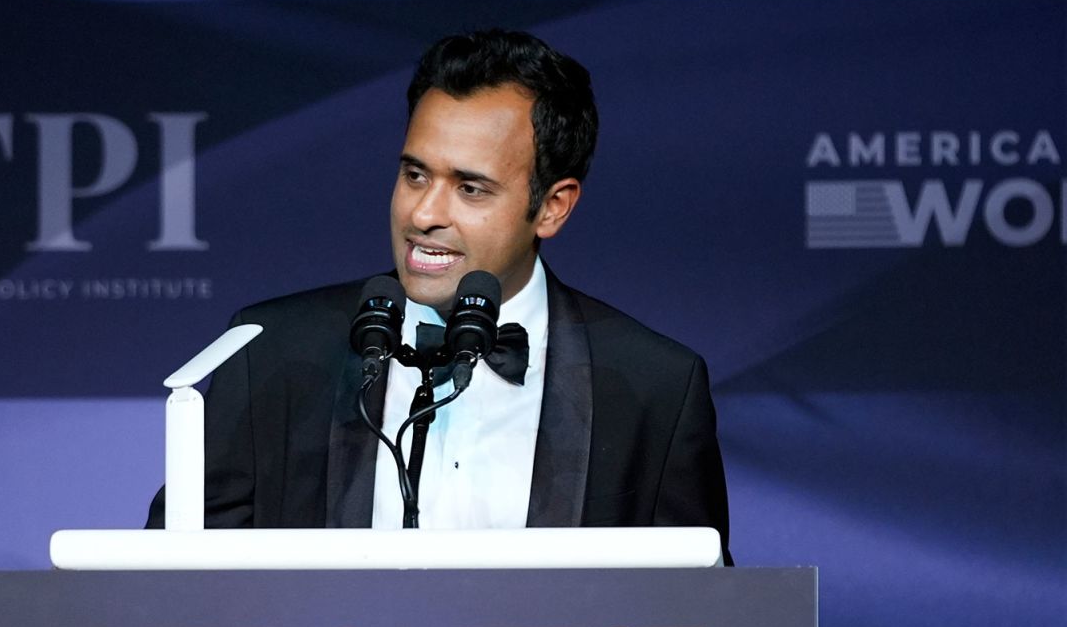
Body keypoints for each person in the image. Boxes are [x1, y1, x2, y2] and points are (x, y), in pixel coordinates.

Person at [148, 29, 731, 564]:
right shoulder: (269, 355)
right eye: (415, 175)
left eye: (470, 188)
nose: (423, 214)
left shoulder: (655, 387)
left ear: (553, 206)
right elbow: (164, 595)